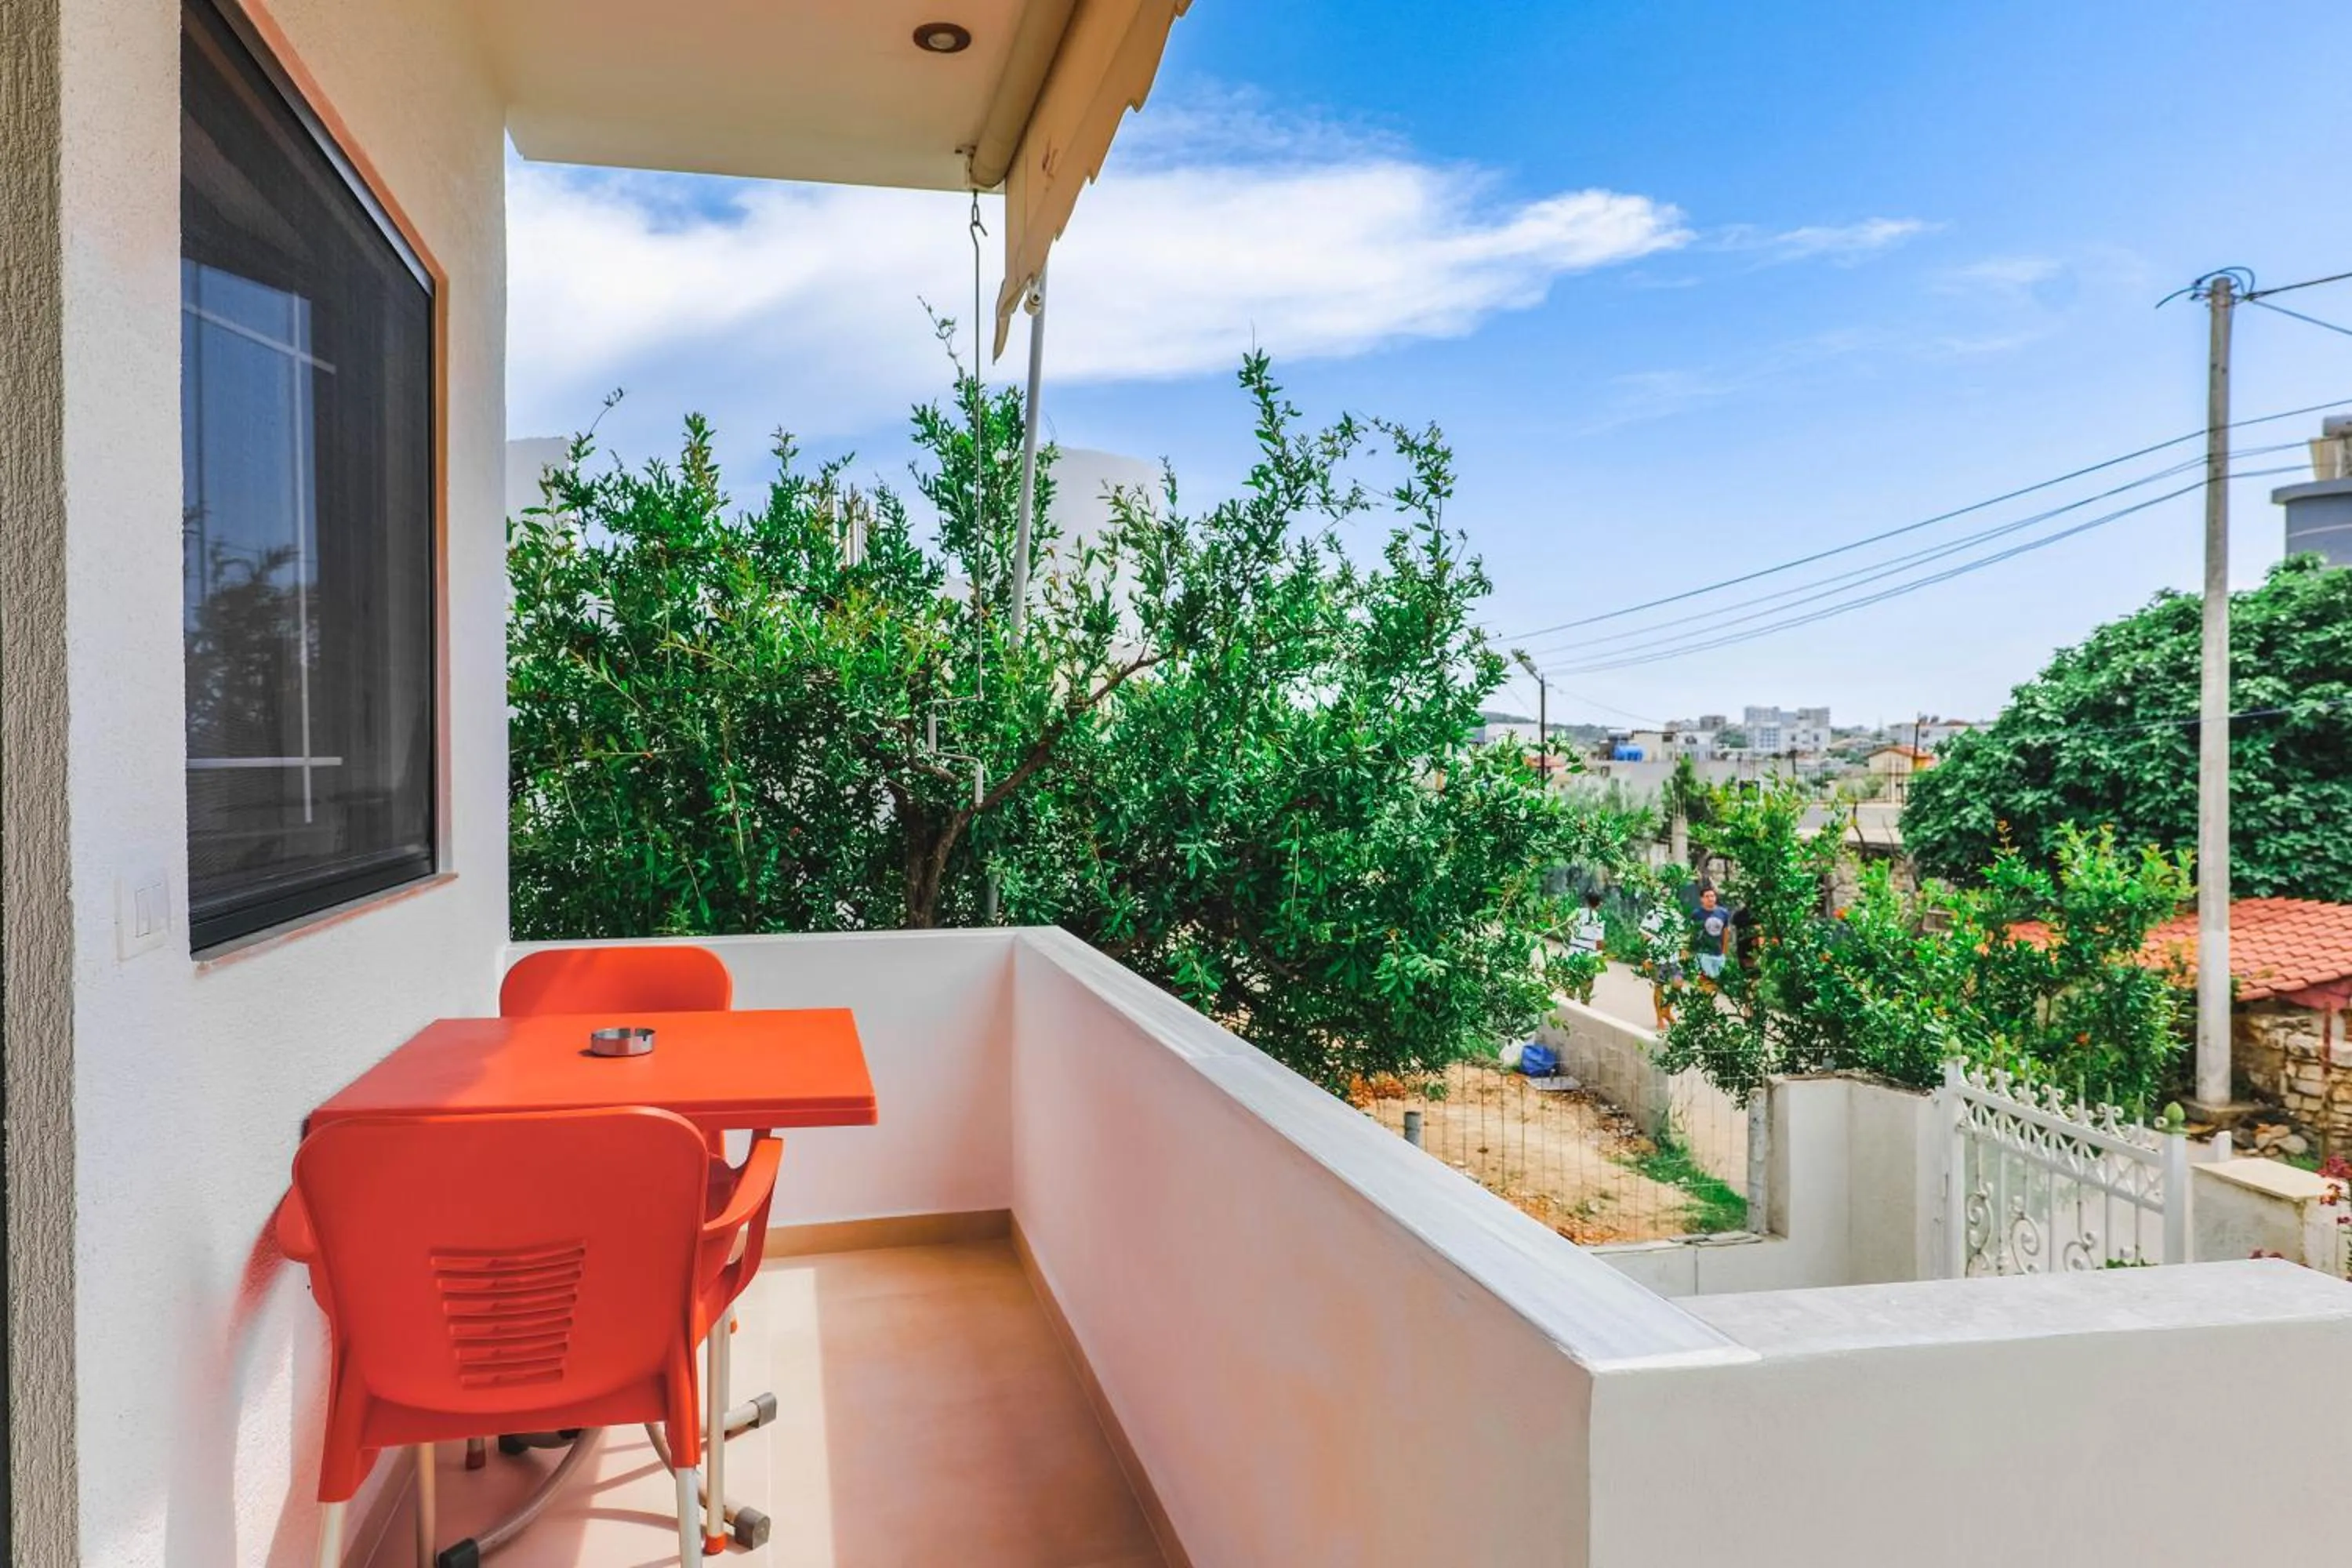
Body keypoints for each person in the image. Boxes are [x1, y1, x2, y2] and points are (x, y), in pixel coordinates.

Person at [1694, 884, 1734, 983]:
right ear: (1701, 899)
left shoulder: (1723, 913)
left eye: (1712, 896)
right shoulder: (1697, 914)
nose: (1710, 899)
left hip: (1718, 953)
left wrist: (1724, 952)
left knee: (1716, 984)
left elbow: (1725, 932)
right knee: (1706, 981)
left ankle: (1705, 997)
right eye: (1707, 896)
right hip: (1703, 953)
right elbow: (1692, 933)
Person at [1566, 890, 1606, 956]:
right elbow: (1599, 942)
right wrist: (1600, 954)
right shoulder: (1599, 919)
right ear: (1599, 904)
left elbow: (1568, 923)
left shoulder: (1577, 912)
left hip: (1573, 952)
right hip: (1587, 956)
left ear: (1587, 902)